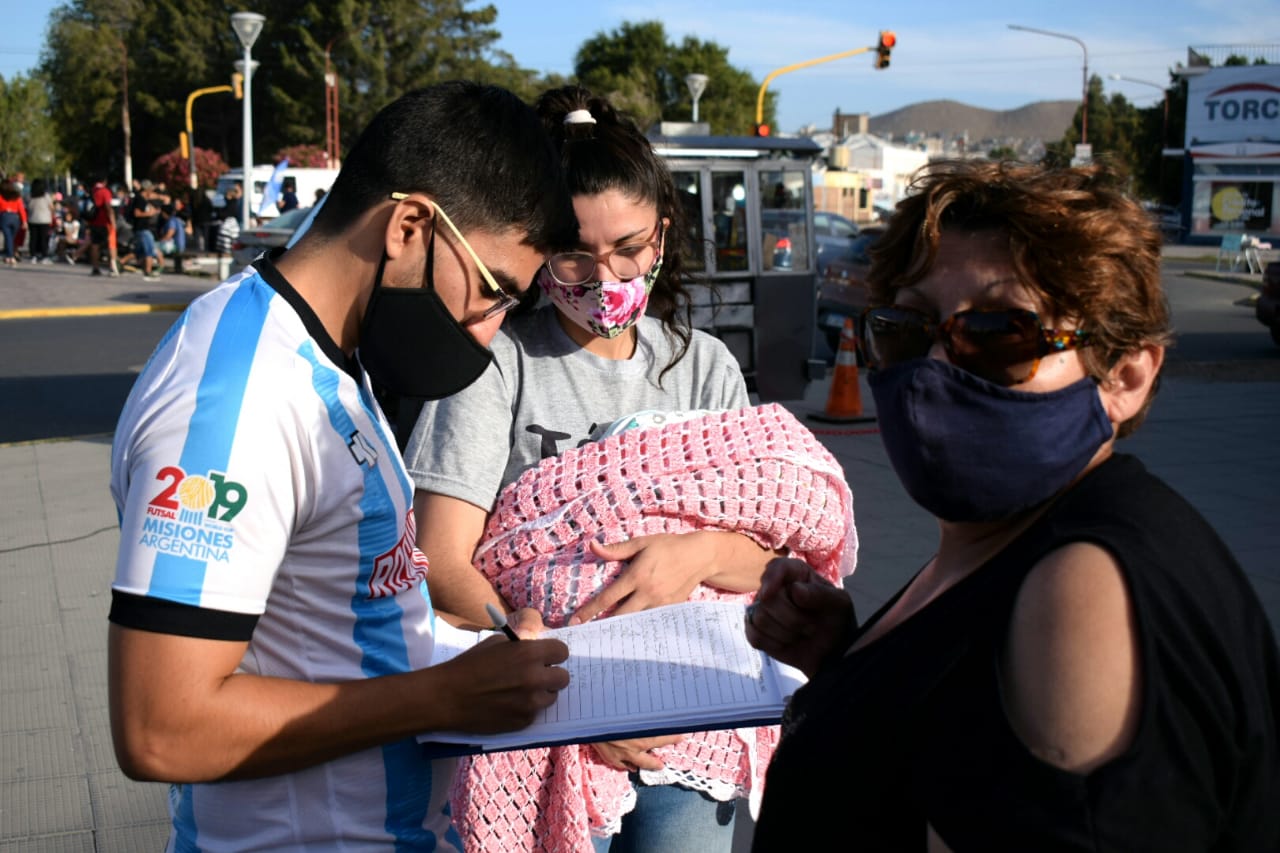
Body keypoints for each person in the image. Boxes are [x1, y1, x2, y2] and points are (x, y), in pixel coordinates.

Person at [744, 159, 1280, 851]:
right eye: (906, 329)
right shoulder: (1002, 540)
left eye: (999, 333)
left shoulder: (1080, 590)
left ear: (1125, 375)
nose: (934, 367)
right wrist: (850, 661)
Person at [107, 81, 579, 851]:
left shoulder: (332, 355)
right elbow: (162, 727)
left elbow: (337, 625)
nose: (490, 333)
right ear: (409, 226)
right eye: (493, 292)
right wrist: (442, 696)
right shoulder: (239, 400)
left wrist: (475, 657)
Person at [402, 85, 857, 853]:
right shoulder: (499, 364)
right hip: (544, 708)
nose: (602, 274)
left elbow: (780, 558)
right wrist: (579, 697)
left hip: (688, 726)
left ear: (663, 237)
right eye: (575, 251)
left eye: (628, 247)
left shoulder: (703, 367)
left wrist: (705, 552)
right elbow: (444, 562)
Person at [86, 177, 119, 276]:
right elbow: (108, 207)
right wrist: (113, 222)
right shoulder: (105, 191)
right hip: (105, 222)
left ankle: (95, 268)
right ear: (105, 181)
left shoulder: (93, 191)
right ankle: (112, 268)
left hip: (94, 222)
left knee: (95, 245)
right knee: (111, 245)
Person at [0, 179, 27, 267]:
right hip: (15, 218)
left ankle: (10, 255)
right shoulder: (17, 197)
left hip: (4, 217)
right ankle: (10, 254)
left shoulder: (1, 196)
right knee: (11, 238)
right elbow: (21, 209)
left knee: (8, 237)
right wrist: (24, 221)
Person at [27, 178, 54, 263]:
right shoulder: (46, 196)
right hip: (44, 220)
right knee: (43, 238)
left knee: (33, 238)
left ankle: (33, 255)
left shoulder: (29, 195)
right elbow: (51, 207)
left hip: (32, 219)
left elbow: (28, 207)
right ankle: (44, 256)